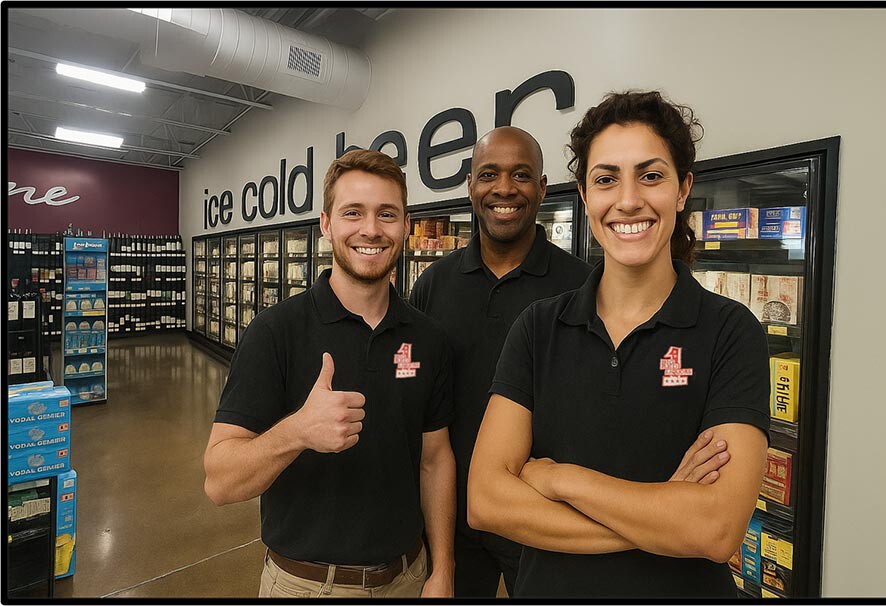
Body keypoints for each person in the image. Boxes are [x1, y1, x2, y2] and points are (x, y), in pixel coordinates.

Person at [467, 91, 770, 598]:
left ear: (682, 189)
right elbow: (486, 500)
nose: (628, 199)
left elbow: (714, 530)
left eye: (650, 175)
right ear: (585, 196)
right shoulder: (538, 327)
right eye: (606, 178)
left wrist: (562, 479)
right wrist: (663, 516)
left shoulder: (731, 331)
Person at [409, 126, 731, 597]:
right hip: (455, 516)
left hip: (550, 518)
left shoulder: (577, 287)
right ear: (471, 187)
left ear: (543, 189)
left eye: (521, 175)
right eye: (489, 174)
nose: (504, 188)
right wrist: (658, 525)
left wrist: (563, 486)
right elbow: (421, 405)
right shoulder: (434, 285)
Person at [204, 149, 456, 598]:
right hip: (307, 586)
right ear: (326, 223)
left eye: (387, 214)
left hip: (408, 578)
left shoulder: (427, 337)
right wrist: (297, 431)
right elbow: (220, 481)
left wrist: (443, 568)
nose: (371, 230)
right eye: (353, 213)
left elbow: (434, 460)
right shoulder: (274, 332)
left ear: (405, 224)